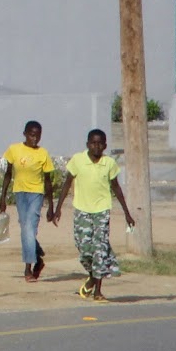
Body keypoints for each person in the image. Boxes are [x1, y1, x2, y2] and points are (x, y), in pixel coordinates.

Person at [50, 127, 135, 301]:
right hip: (82, 210)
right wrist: (58, 208)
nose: (96, 146)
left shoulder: (109, 163)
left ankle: (98, 290)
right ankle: (92, 276)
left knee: (99, 248)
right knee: (84, 248)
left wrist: (127, 212)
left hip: (102, 210)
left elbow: (116, 188)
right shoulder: (78, 160)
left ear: (104, 146)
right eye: (93, 143)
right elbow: (67, 184)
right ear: (87, 144)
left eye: (100, 144)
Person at [0, 120, 55, 282]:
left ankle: (28, 268)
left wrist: (51, 206)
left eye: (38, 135)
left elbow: (48, 181)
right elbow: (8, 174)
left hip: (36, 194)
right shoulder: (14, 150)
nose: (35, 139)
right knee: (25, 228)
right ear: (25, 134)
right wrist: (3, 198)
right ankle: (37, 253)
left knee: (29, 228)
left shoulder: (43, 153)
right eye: (31, 135)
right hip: (20, 193)